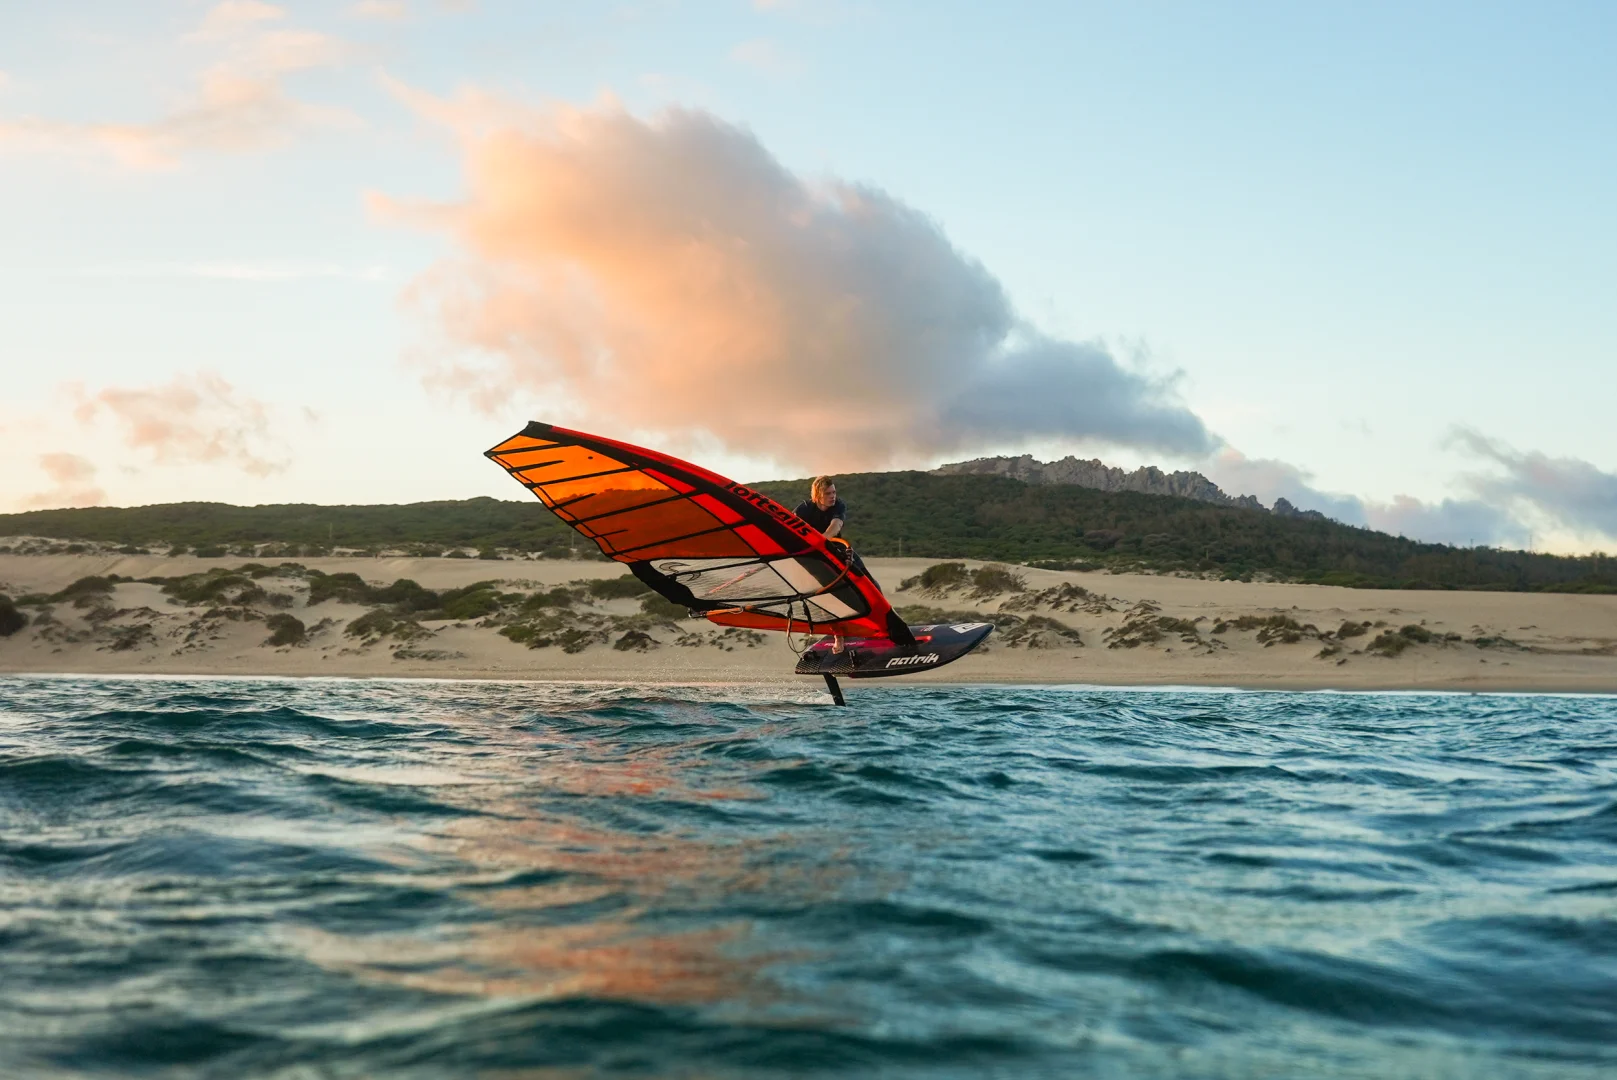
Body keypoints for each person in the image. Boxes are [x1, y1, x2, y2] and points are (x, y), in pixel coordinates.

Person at [793, 476, 878, 655]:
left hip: (838, 549)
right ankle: (838, 636)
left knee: (872, 586)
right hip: (815, 558)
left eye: (834, 492)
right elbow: (789, 531)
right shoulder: (804, 510)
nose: (832, 496)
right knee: (826, 596)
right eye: (828, 493)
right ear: (817, 495)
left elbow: (835, 526)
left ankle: (884, 624)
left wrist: (821, 541)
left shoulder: (838, 505)